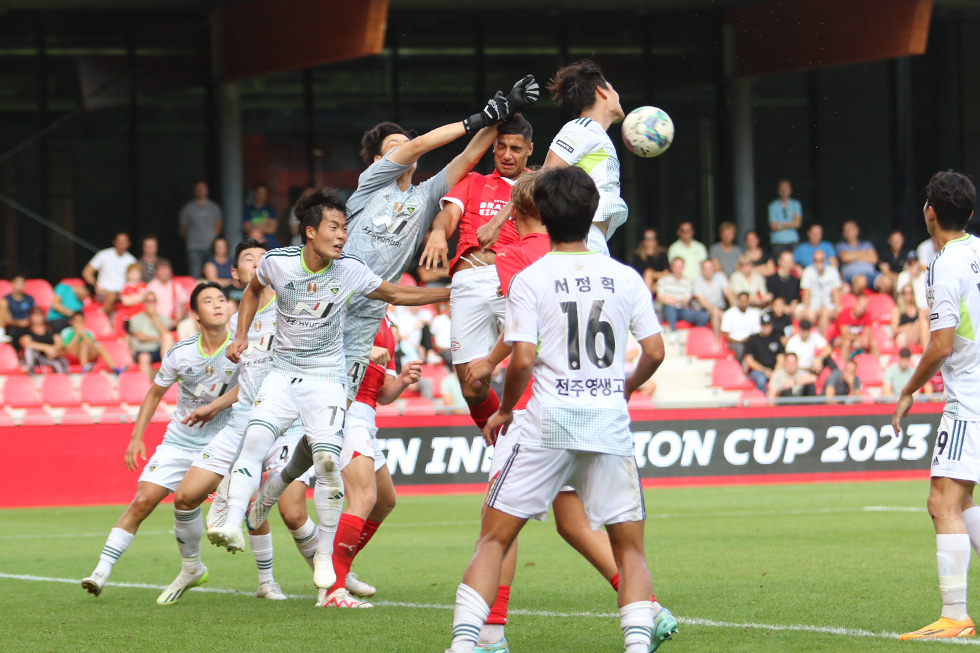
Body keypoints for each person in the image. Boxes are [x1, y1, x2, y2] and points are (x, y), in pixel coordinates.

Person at [445, 165, 676, 653]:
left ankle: (466, 645)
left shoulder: (531, 276)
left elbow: (522, 358)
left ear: (542, 215)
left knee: (494, 539)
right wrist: (626, 388)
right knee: (629, 547)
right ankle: (637, 645)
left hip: (546, 423)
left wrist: (506, 410)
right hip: (607, 424)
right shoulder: (625, 276)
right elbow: (654, 351)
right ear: (593, 214)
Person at [207, 188, 451, 601]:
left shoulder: (350, 270)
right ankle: (233, 520)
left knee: (325, 462)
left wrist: (453, 293)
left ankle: (324, 555)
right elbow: (251, 291)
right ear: (310, 231)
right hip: (282, 374)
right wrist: (243, 335)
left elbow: (396, 294)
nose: (342, 236)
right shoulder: (278, 263)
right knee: (255, 442)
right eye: (334, 228)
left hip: (326, 379)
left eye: (345, 228)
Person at [341, 76, 538, 407]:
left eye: (405, 145)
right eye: (395, 148)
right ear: (380, 161)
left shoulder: (425, 195)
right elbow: (420, 145)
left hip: (371, 314)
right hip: (336, 299)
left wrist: (508, 109)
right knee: (305, 390)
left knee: (339, 406)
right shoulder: (370, 184)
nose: (405, 149)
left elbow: (471, 153)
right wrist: (478, 118)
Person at [161, 240, 311, 606]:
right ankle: (193, 567)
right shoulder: (233, 322)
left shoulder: (292, 306)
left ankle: (334, 574)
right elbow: (244, 379)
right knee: (185, 496)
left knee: (292, 513)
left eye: (264, 258)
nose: (259, 263)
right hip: (243, 419)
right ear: (235, 274)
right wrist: (216, 406)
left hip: (286, 422)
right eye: (249, 259)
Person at [81, 282, 237, 598]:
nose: (218, 305)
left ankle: (264, 576)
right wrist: (136, 436)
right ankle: (101, 571)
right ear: (195, 314)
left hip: (221, 443)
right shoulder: (181, 353)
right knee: (142, 501)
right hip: (179, 442)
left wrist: (215, 407)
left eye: (222, 299)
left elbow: (251, 386)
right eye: (208, 301)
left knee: (186, 499)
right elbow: (154, 393)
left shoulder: (241, 348)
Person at [892, 170, 977, 641]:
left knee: (940, 501)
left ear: (930, 211)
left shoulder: (943, 265)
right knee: (962, 502)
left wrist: (908, 390)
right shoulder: (978, 250)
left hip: (967, 399)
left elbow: (941, 345)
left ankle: (954, 615)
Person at [418, 115, 534, 433]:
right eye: (501, 147)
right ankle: (501, 442)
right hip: (468, 280)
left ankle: (538, 447)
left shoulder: (537, 187)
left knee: (535, 364)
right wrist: (439, 233)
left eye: (515, 148)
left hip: (512, 281)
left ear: (529, 151)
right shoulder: (473, 182)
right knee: (472, 386)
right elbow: (448, 215)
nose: (507, 154)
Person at [82, 232, 136, 315]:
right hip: (103, 292)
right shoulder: (103, 255)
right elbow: (87, 272)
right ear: (114, 242)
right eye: (119, 242)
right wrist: (95, 286)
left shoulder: (131, 260)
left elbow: (135, 279)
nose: (121, 245)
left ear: (128, 244)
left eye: (124, 242)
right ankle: (104, 320)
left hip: (123, 294)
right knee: (112, 295)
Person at [179, 181, 223, 278]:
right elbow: (182, 229)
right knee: (194, 276)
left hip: (211, 248)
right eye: (198, 189)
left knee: (212, 276)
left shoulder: (214, 207)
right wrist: (191, 240)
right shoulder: (188, 208)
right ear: (194, 191)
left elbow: (218, 226)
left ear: (207, 190)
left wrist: (212, 241)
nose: (201, 191)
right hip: (193, 248)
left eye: (203, 189)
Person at [129, 292, 174, 381]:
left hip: (159, 350)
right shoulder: (135, 319)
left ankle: (166, 375)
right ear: (143, 303)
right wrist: (158, 338)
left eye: (152, 301)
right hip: (143, 350)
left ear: (156, 303)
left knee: (168, 338)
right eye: (147, 301)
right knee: (144, 357)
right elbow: (140, 337)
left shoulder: (163, 318)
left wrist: (154, 317)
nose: (150, 304)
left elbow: (166, 334)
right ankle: (147, 385)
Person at [837, 220, 890, 294]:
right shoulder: (841, 245)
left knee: (886, 282)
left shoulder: (866, 244)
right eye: (845, 230)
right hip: (852, 277)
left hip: (870, 274)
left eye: (850, 229)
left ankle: (880, 304)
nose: (848, 232)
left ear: (857, 231)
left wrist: (852, 256)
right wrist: (863, 253)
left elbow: (874, 259)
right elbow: (844, 258)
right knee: (861, 281)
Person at [656, 258, 708, 332]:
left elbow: (686, 300)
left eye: (680, 267)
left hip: (682, 310)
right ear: (671, 267)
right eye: (676, 266)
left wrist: (674, 299)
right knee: (670, 308)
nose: (678, 269)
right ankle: (672, 334)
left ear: (683, 268)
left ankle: (694, 337)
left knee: (704, 317)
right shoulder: (663, 280)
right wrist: (670, 301)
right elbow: (660, 297)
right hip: (667, 310)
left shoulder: (687, 282)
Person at [799, 249, 842, 332]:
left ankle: (823, 340)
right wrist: (806, 309)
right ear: (813, 261)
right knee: (808, 314)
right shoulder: (808, 271)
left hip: (828, 305)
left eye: (821, 260)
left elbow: (836, 292)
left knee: (828, 312)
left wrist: (837, 307)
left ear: (825, 260)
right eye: (816, 260)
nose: (818, 263)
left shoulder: (832, 271)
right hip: (813, 305)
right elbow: (806, 293)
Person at [743, 313, 784, 393]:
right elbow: (749, 360)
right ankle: (765, 401)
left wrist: (774, 373)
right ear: (760, 326)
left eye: (768, 325)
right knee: (761, 379)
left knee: (784, 379)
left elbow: (781, 359)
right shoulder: (753, 339)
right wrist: (764, 370)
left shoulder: (776, 339)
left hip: (774, 370)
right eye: (764, 325)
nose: (766, 328)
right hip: (757, 371)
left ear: (772, 325)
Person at [19, 306, 68, 373]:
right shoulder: (26, 329)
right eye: (35, 315)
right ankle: (30, 372)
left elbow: (59, 342)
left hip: (50, 356)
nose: (37, 318)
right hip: (36, 357)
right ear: (30, 317)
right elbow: (26, 343)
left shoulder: (50, 328)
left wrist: (53, 350)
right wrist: (46, 348)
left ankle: (62, 381)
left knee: (59, 363)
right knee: (29, 350)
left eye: (39, 315)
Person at [693, 259, 732, 339]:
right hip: (704, 310)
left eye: (710, 268)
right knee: (715, 312)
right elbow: (703, 302)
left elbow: (728, 294)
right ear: (702, 270)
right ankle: (717, 341)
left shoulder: (720, 276)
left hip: (721, 308)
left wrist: (734, 308)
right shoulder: (697, 281)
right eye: (706, 269)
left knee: (719, 313)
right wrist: (720, 313)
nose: (708, 271)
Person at [834, 293, 878, 361]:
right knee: (847, 342)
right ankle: (842, 366)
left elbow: (868, 332)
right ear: (856, 304)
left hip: (855, 340)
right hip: (839, 338)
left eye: (864, 307)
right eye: (860, 306)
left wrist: (866, 340)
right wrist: (859, 338)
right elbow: (844, 334)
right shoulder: (844, 314)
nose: (861, 309)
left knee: (873, 343)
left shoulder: (867, 315)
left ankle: (875, 366)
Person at [721, 291, 761, 361]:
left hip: (750, 341)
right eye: (741, 301)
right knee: (740, 348)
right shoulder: (729, 314)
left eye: (745, 301)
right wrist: (738, 341)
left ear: (748, 301)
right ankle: (739, 368)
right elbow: (725, 334)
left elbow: (756, 332)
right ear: (737, 301)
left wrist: (748, 339)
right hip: (734, 342)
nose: (743, 303)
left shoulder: (754, 313)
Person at [146, 260, 188, 325]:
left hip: (177, 322)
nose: (164, 273)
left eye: (167, 270)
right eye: (162, 270)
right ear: (156, 272)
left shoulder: (176, 285)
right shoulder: (151, 287)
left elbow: (184, 304)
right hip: (157, 323)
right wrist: (164, 322)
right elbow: (148, 307)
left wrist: (181, 315)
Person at [768, 179, 802, 258]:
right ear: (778, 190)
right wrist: (791, 223)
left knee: (794, 263)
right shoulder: (772, 206)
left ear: (790, 190)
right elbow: (773, 226)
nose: (784, 190)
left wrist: (779, 224)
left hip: (793, 240)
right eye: (782, 188)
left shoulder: (796, 204)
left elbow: (798, 224)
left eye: (786, 188)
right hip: (777, 240)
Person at [1, 275, 35, 349]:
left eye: (22, 284)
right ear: (12, 283)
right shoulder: (6, 300)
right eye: (17, 283)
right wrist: (19, 322)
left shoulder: (29, 298)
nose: (19, 286)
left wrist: (29, 321)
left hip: (29, 325)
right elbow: (7, 320)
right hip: (14, 327)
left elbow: (34, 313)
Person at [892, 283, 930, 350]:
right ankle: (926, 351)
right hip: (903, 336)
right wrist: (911, 326)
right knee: (922, 324)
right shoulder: (897, 309)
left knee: (923, 323)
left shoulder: (918, 309)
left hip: (917, 335)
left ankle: (926, 349)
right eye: (905, 293)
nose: (907, 296)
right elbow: (895, 330)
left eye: (910, 293)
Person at [630, 229, 669, 295]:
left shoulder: (662, 255)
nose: (649, 241)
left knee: (649, 273)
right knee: (648, 273)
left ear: (656, 240)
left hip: (658, 284)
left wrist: (652, 274)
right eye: (647, 238)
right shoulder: (638, 257)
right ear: (643, 241)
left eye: (652, 238)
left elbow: (666, 273)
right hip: (642, 285)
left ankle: (647, 296)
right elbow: (635, 274)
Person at [243, 182, 278, 248]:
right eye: (259, 193)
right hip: (252, 243)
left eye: (264, 193)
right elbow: (246, 228)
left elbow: (272, 229)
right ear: (255, 193)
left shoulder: (270, 209)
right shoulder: (248, 209)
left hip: (270, 243)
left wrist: (254, 226)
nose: (261, 195)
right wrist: (266, 223)